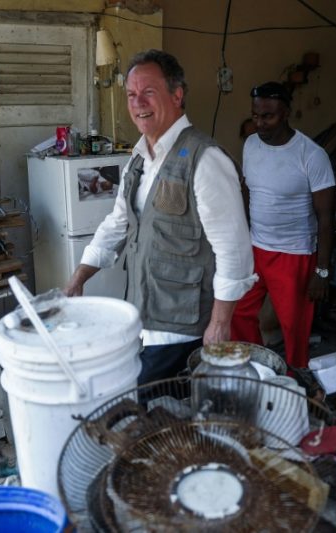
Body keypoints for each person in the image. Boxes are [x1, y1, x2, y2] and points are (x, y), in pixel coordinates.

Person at [64, 50, 255, 384]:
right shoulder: (138, 160)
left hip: (182, 330)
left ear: (176, 95)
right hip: (143, 319)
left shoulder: (205, 159)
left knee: (155, 413)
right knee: (149, 415)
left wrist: (221, 322)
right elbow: (117, 224)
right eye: (131, 94)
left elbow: (234, 250)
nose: (138, 103)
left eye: (148, 92)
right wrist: (80, 276)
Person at [230, 81, 335, 369]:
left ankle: (294, 381)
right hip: (256, 247)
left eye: (268, 117)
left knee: (294, 327)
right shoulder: (251, 144)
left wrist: (322, 271)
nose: (260, 123)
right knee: (238, 312)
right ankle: (257, 368)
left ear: (286, 113)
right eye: (255, 116)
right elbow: (248, 190)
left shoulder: (311, 155)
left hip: (294, 254)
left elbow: (326, 217)